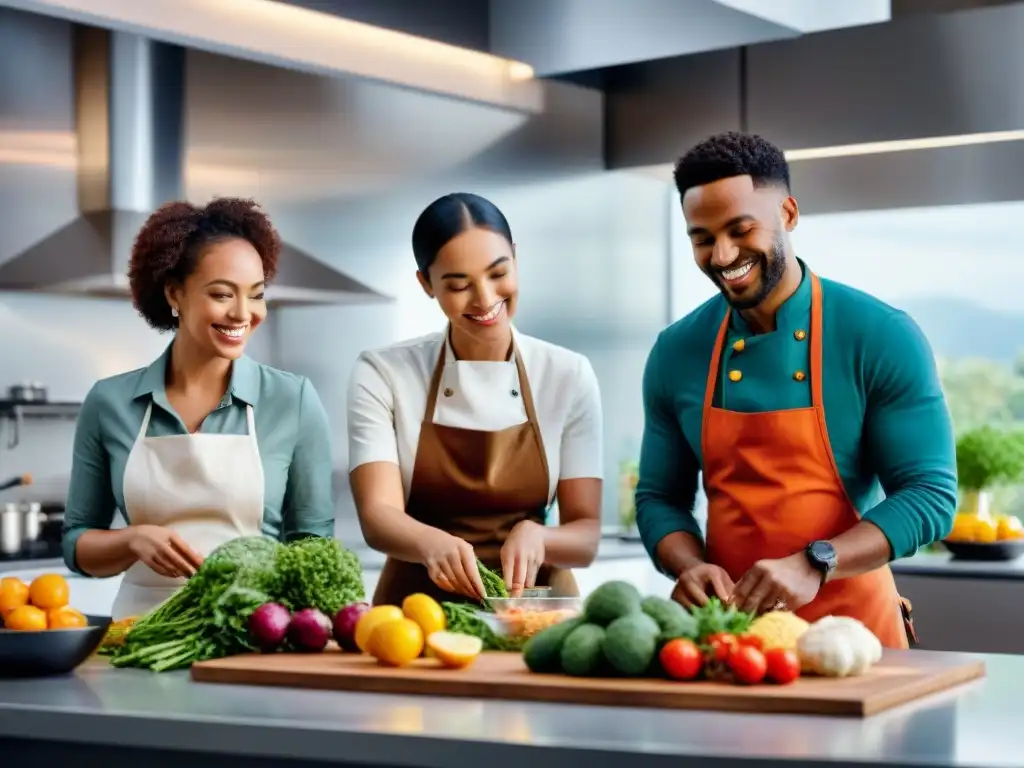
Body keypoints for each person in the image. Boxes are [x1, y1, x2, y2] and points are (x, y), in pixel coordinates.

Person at [635, 132, 957, 648]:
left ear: (787, 213)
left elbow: (930, 496)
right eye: (702, 238)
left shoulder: (880, 335)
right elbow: (659, 498)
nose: (722, 255)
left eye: (741, 229)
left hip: (857, 642)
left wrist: (817, 562)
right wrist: (688, 565)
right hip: (731, 645)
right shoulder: (676, 351)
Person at [63, 197, 335, 619]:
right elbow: (77, 544)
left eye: (257, 295)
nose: (243, 313)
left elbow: (314, 546)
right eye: (223, 294)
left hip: (253, 634)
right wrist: (130, 540)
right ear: (175, 292)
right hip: (140, 637)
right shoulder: (110, 402)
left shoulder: (292, 400)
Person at [347, 192, 603, 605]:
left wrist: (539, 536)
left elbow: (586, 535)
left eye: (498, 273)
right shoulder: (383, 373)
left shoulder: (567, 374)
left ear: (516, 258)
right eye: (459, 284)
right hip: (415, 617)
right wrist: (432, 544)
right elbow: (378, 516)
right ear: (426, 284)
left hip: (535, 615)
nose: (484, 299)